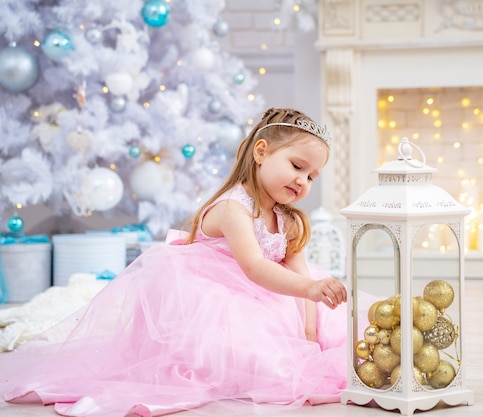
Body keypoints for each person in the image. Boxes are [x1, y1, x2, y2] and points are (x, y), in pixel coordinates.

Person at [0, 107, 374, 417]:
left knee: (343, 325)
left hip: (274, 294)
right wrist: (306, 290)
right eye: (296, 165)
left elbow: (299, 274)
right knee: (252, 352)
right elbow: (255, 269)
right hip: (213, 293)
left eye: (312, 176)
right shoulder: (233, 207)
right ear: (261, 152)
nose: (303, 180)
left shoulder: (289, 220)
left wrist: (307, 334)